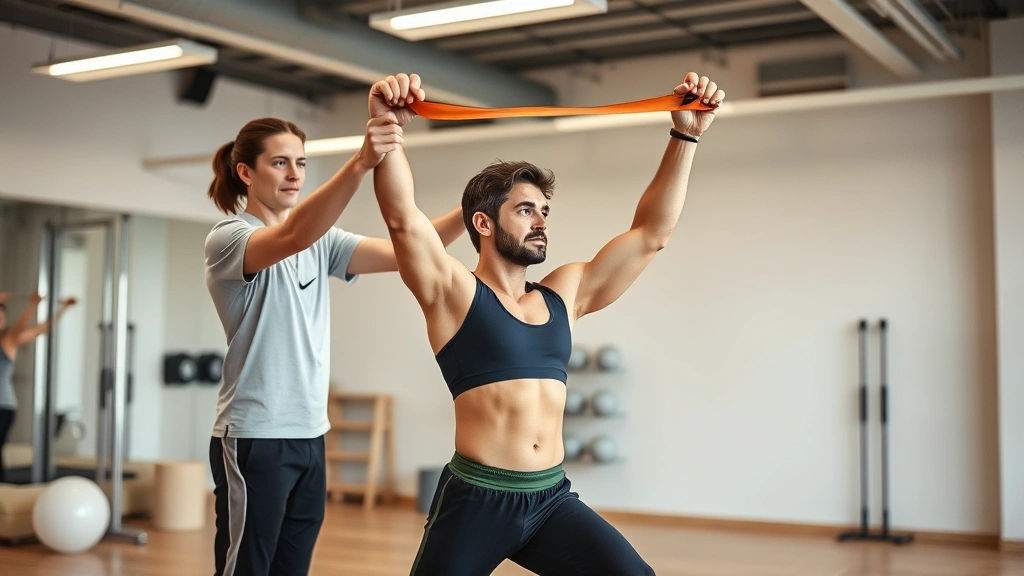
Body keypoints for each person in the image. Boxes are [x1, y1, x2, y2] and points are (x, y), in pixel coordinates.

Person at [371, 72, 725, 575]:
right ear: (483, 223)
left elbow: (651, 234)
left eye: (544, 211)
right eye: (525, 210)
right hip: (477, 500)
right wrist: (387, 129)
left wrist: (685, 135)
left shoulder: (565, 294)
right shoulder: (454, 293)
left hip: (550, 500)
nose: (541, 221)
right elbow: (403, 220)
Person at [203, 84, 465, 576]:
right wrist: (363, 160)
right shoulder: (229, 239)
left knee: (292, 567)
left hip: (310, 433)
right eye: (280, 163)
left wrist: (476, 208)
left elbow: (411, 248)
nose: (294, 174)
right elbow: (293, 233)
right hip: (256, 434)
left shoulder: (323, 243)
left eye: (301, 163)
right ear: (246, 173)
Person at [0, 291, 77, 482]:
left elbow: (40, 328)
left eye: (1, 317)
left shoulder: (9, 340)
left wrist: (59, 309)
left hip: (3, 406)